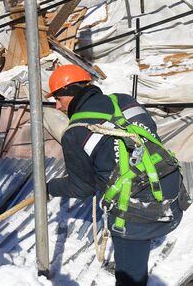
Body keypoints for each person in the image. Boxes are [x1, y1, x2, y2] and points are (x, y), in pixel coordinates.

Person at [45, 64, 186, 286]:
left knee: (130, 278)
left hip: (137, 205)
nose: (57, 105)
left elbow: (81, 188)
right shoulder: (124, 101)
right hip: (171, 186)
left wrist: (49, 188)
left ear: (69, 94)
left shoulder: (75, 132)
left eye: (58, 98)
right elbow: (149, 134)